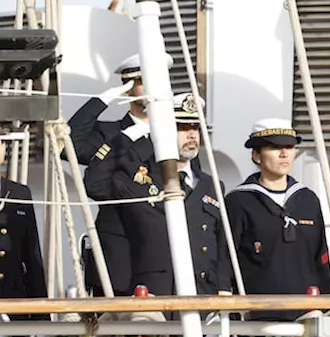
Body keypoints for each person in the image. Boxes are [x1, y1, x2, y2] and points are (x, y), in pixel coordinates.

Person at [84, 92, 231, 296]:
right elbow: (95, 185)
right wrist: (126, 137)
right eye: (181, 127)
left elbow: (222, 245)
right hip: (153, 294)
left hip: (201, 295)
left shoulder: (211, 185)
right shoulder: (138, 179)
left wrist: (223, 290)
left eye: (195, 127)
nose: (191, 135)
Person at [70, 53, 173, 296]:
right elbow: (69, 142)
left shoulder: (175, 135)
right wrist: (105, 99)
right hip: (121, 253)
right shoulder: (111, 133)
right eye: (142, 81)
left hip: (164, 251)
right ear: (128, 89)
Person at [226, 120, 330, 310]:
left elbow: (321, 258)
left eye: (289, 147)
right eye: (274, 147)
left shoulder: (308, 199)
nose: (284, 154)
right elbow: (226, 260)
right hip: (257, 313)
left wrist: (329, 306)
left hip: (307, 311)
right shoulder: (239, 201)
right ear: (256, 155)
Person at [0, 139, 47, 305]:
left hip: (14, 300)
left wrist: (41, 315)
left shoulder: (20, 193)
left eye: (0, 143)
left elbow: (32, 255)